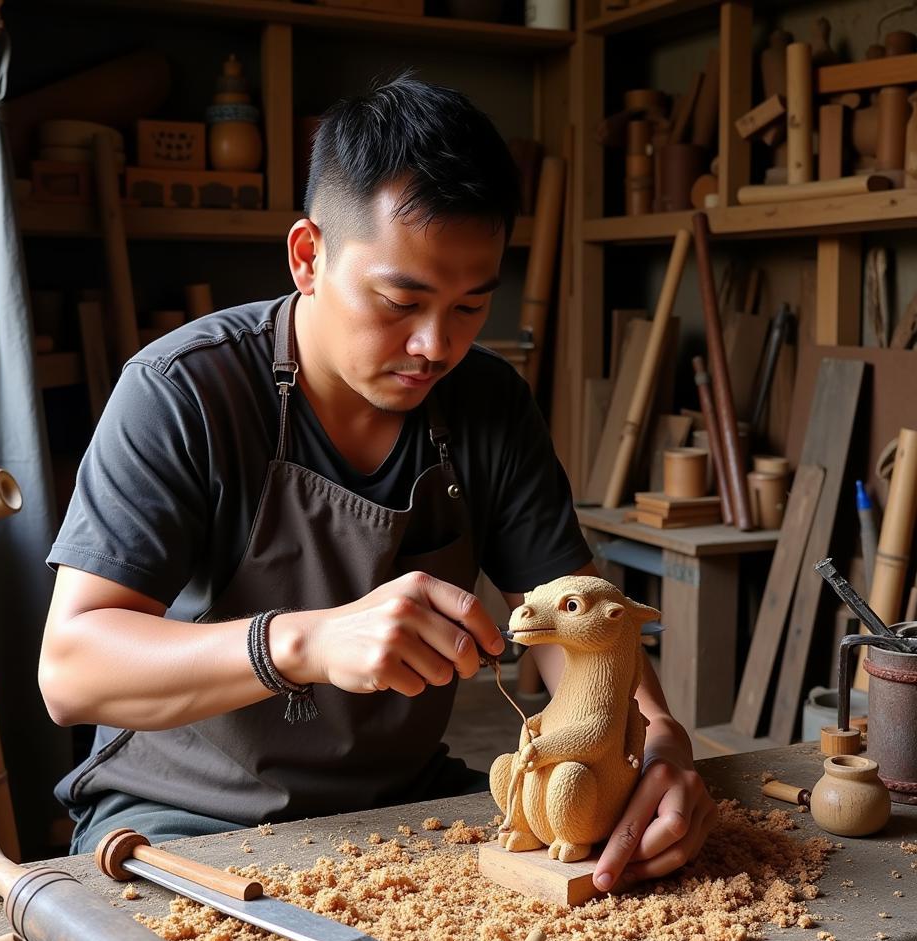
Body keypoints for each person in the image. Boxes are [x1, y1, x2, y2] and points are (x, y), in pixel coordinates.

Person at [39, 74, 716, 889]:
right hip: (179, 820)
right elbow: (70, 672)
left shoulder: (489, 404)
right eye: (401, 301)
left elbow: (582, 624)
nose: (436, 346)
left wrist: (655, 740)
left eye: (471, 307)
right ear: (308, 257)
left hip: (402, 805)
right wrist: (305, 640)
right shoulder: (182, 390)